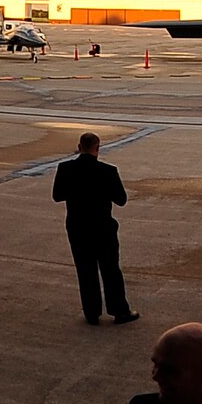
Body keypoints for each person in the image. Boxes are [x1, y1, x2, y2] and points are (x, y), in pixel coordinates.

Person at [52, 133, 139, 326]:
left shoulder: (65, 168)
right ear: (97, 148)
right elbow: (121, 200)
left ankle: (92, 313)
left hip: (77, 227)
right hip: (103, 227)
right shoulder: (108, 171)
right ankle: (119, 310)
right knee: (110, 270)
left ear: (79, 146)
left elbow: (57, 196)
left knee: (85, 270)